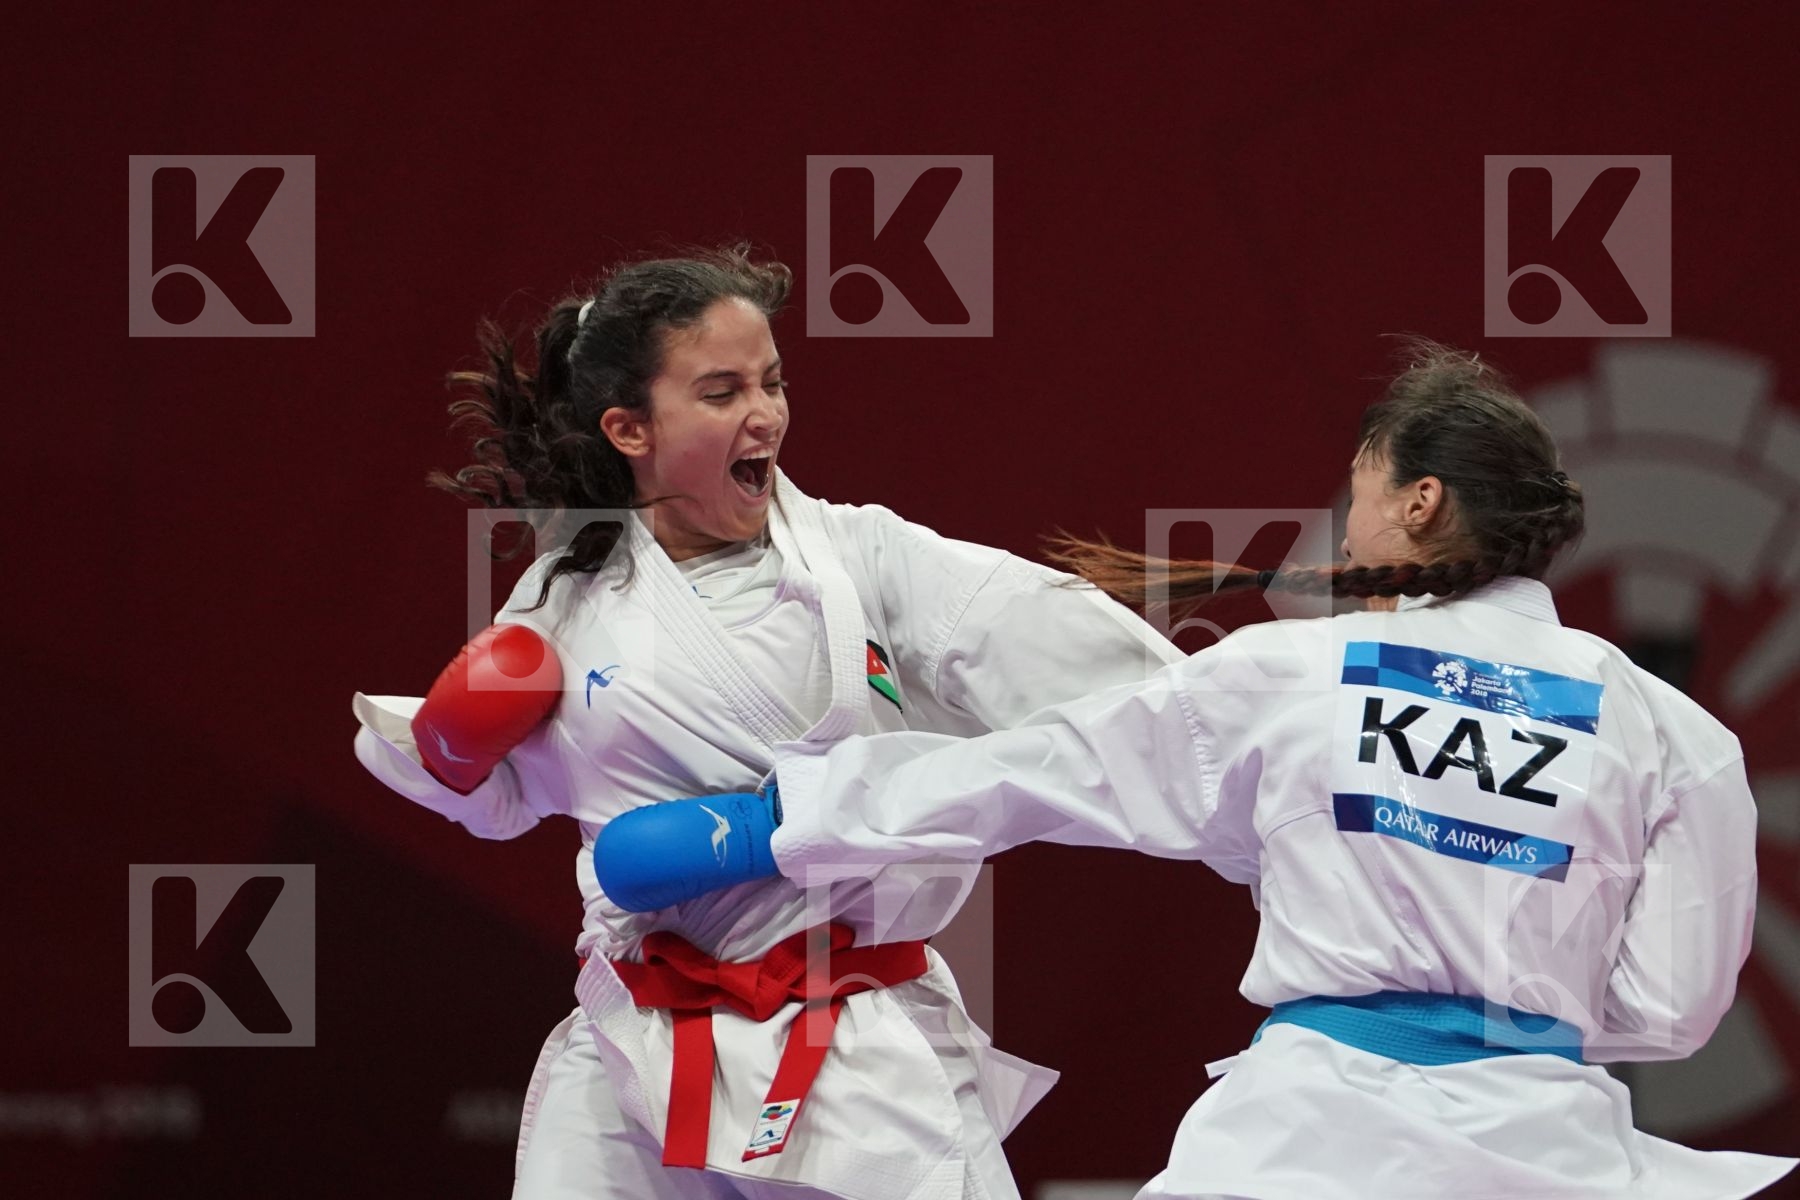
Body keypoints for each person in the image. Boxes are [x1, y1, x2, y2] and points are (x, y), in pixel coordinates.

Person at [603, 342, 1798, 1199]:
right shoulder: (1677, 737)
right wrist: (1520, 1005)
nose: (1347, 526)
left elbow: (1036, 772)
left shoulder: (1298, 672)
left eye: (1363, 493)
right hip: (1559, 1154)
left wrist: (773, 824)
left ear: (1422, 502)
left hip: (1304, 1147)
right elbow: (1673, 1011)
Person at [350, 245, 1184, 1200]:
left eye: (773, 382)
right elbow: (507, 802)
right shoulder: (562, 598)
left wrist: (1251, 712)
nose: (767, 414)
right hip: (638, 1039)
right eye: (722, 391)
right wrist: (448, 754)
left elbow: (1066, 650)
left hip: (850, 1038)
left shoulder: (859, 559)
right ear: (630, 428)